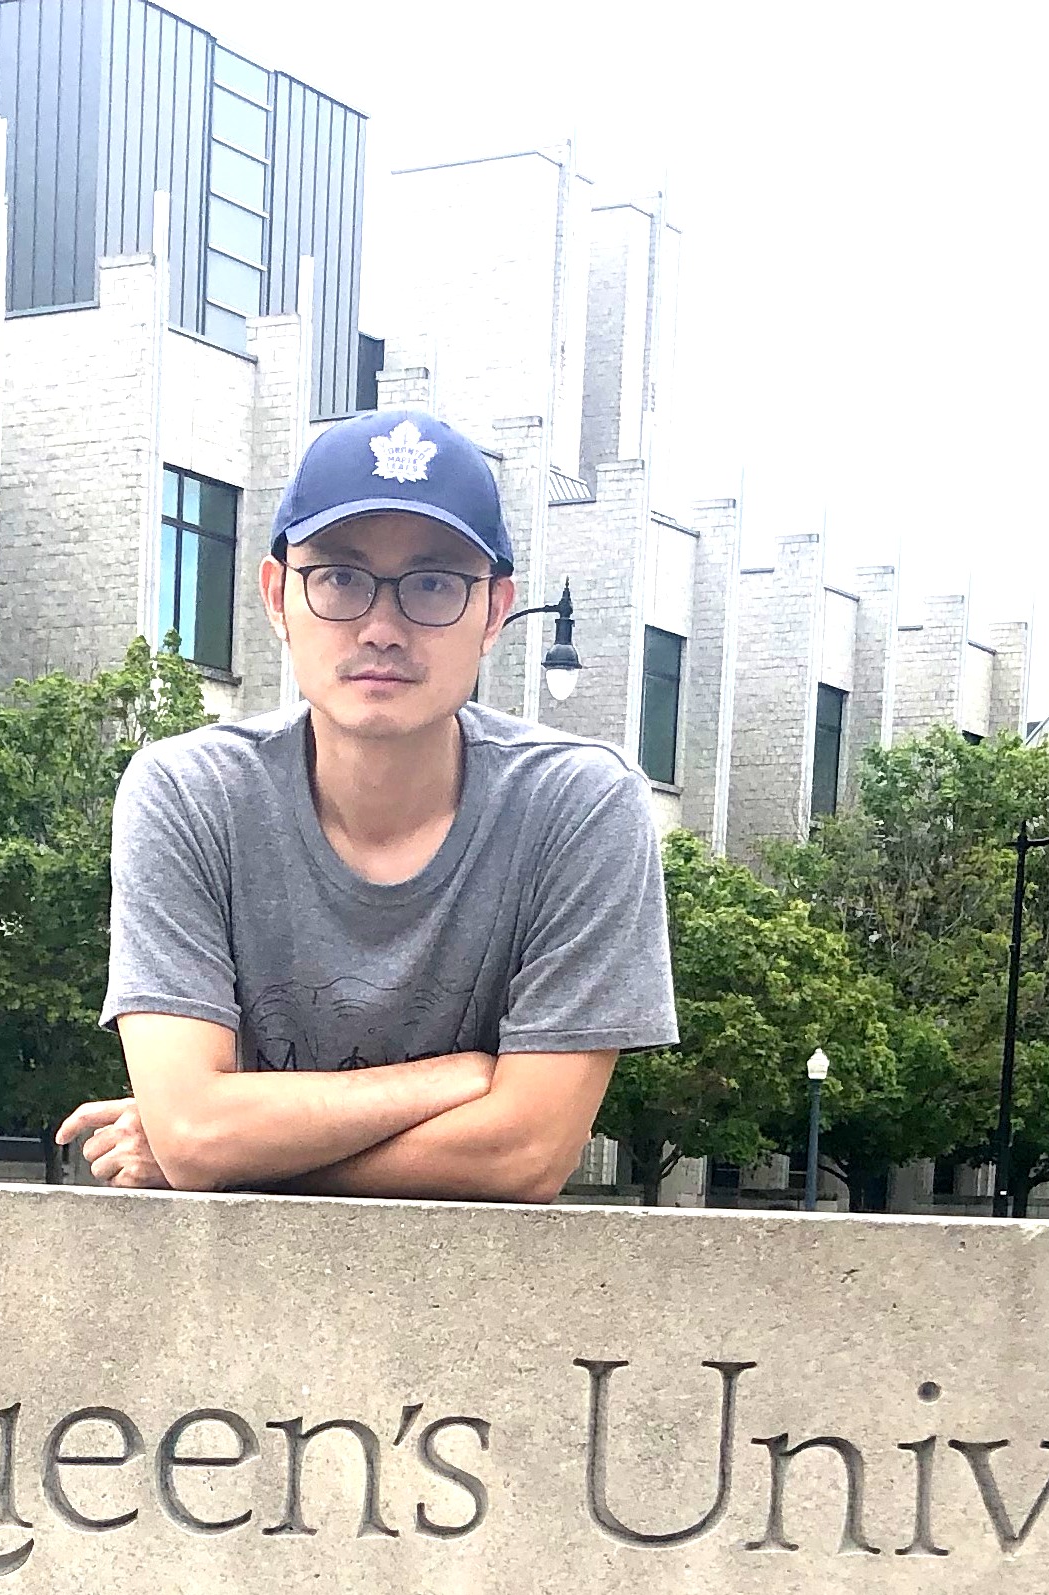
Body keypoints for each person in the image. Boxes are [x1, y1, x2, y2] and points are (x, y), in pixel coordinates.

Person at [55, 409, 676, 1202]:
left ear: (494, 611)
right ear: (278, 596)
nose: (382, 628)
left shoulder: (579, 806)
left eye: (433, 584)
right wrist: (455, 1077)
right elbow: (196, 1133)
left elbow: (527, 1155)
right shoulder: (190, 795)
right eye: (341, 578)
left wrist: (233, 1153)